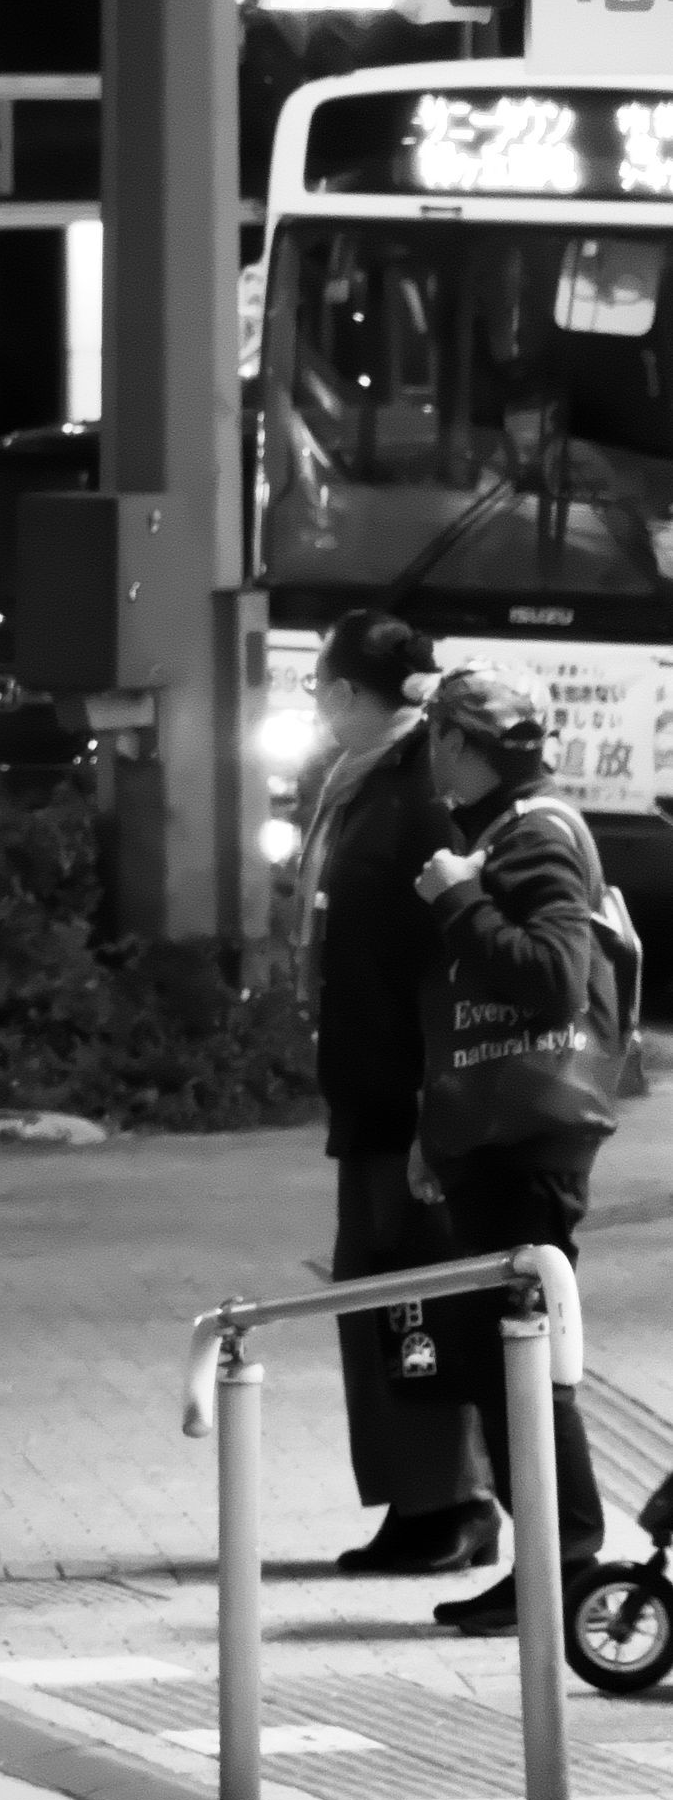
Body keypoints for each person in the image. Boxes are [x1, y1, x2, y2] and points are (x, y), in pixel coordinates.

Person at [409, 667, 620, 1634]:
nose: (429, 755)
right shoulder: (505, 829)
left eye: (436, 737)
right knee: (500, 1352)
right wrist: (434, 1127)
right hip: (500, 1129)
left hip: (529, 1137)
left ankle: (565, 1560)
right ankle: (551, 1557)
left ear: (458, 742)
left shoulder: (534, 834)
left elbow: (553, 979)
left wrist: (460, 902)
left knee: (519, 1353)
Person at [295, 614, 494, 1574]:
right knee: (382, 1300)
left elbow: (438, 961)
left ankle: (448, 1503)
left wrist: (431, 1105)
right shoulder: (373, 781)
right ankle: (423, 1500)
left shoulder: (411, 795)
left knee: (414, 1306)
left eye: (319, 687)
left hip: (409, 1102)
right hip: (376, 1090)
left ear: (344, 692)